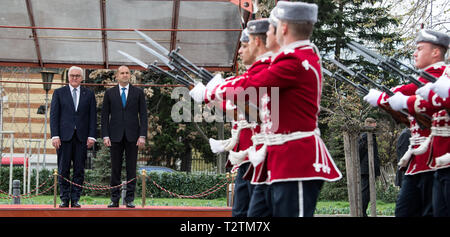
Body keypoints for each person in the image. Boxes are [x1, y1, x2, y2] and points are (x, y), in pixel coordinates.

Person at [190, 1, 343, 217]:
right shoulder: (293, 58)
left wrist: (213, 90)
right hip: (282, 159)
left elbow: (251, 87)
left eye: (271, 27)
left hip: (295, 160)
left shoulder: (295, 60)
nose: (268, 32)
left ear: (284, 29)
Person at [367, 29, 448, 216]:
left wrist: (385, 98)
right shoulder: (425, 78)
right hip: (419, 159)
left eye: (420, 48)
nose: (414, 53)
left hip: (433, 158)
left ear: (436, 52)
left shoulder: (442, 76)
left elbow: (409, 93)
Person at [101, 65, 148, 208]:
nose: (125, 75)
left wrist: (142, 136)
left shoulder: (138, 92)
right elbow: (104, 116)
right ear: (117, 76)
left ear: (130, 75)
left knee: (131, 169)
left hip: (133, 137)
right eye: (122, 73)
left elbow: (144, 116)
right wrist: (105, 135)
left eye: (127, 73)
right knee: (115, 168)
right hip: (114, 136)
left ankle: (129, 199)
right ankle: (114, 199)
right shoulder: (109, 93)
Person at [50, 66, 97, 208]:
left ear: (82, 78)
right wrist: (55, 136)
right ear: (68, 77)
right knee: (63, 169)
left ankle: (75, 199)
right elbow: (54, 116)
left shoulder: (88, 94)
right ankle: (64, 199)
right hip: (63, 138)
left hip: (82, 138)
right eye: (72, 75)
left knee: (79, 169)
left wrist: (92, 136)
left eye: (77, 75)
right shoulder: (59, 93)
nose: (74, 78)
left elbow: (92, 117)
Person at [358, 118, 380, 217]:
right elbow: (360, 152)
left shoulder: (370, 135)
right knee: (365, 191)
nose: (375, 125)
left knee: (368, 191)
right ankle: (362, 212)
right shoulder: (365, 136)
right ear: (369, 124)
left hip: (369, 168)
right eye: (374, 123)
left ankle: (363, 211)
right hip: (366, 169)